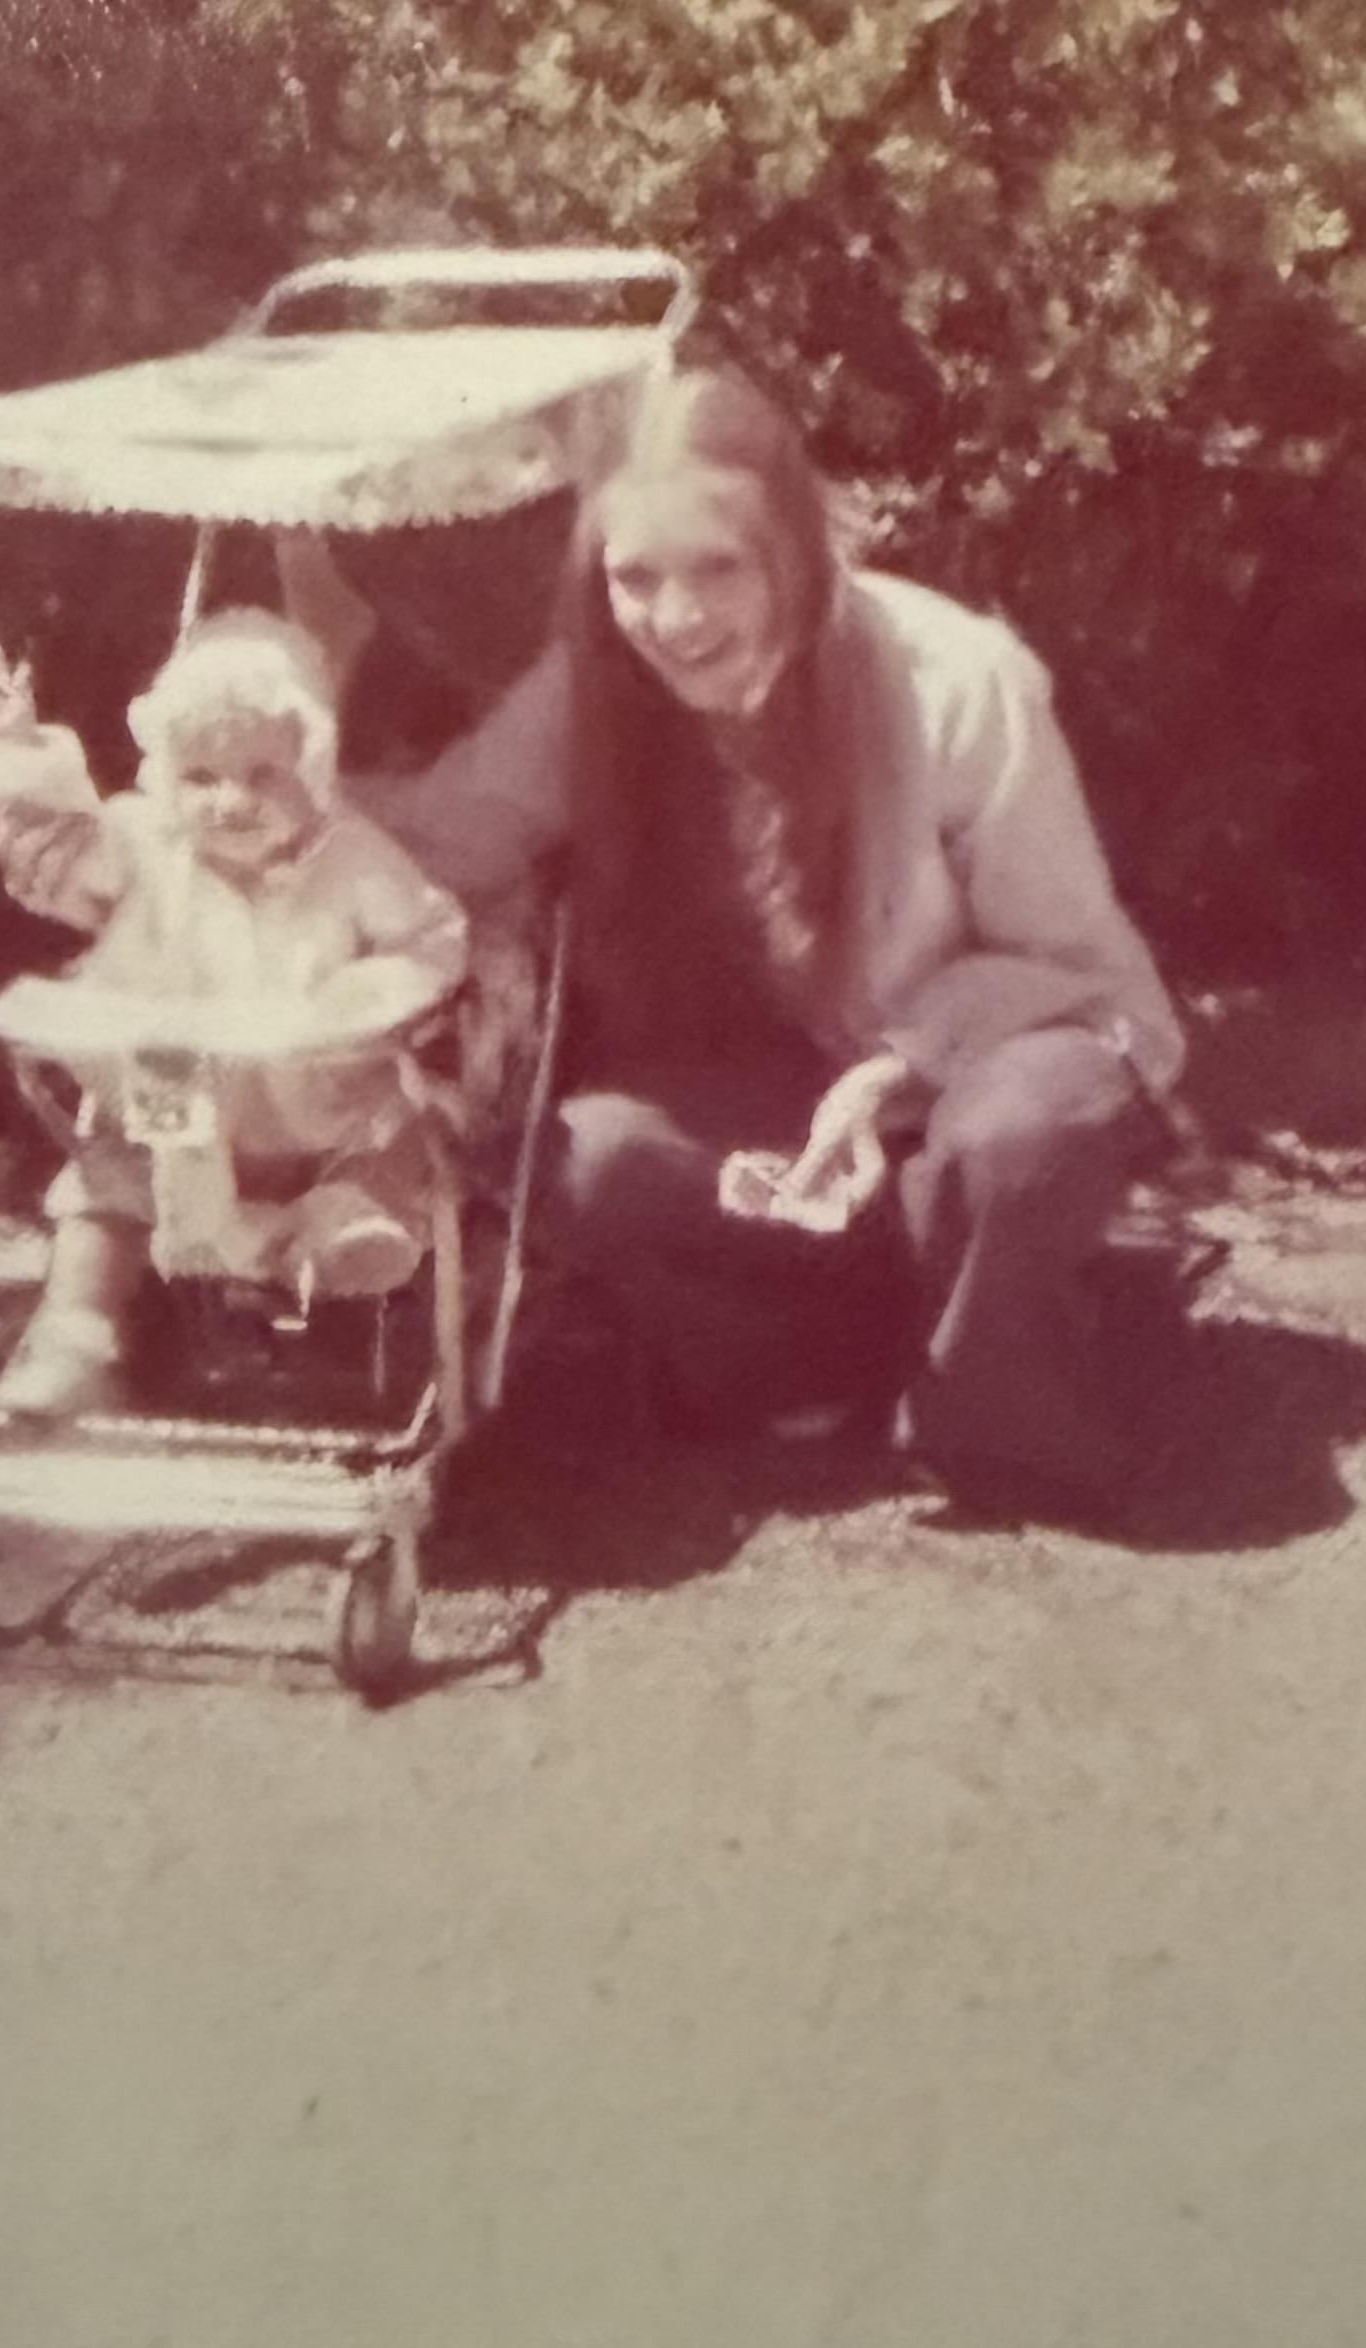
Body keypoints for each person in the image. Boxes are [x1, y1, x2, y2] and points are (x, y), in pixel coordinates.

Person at [335, 365, 1190, 1523]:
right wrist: (164, 835)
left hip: (967, 1071)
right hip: (780, 1111)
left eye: (717, 567)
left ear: (791, 542)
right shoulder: (591, 682)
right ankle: (840, 1351)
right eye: (635, 576)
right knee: (594, 1156)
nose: (675, 619)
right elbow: (443, 838)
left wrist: (905, 1063)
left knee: (1015, 1137)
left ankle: (988, 1399)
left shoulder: (956, 680)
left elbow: (1091, 986)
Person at [0, 607, 470, 1418]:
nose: (229, 800)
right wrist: (18, 748)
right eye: (201, 777)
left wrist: (360, 996)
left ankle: (334, 1231)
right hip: (174, 1103)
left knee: (388, 1144)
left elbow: (430, 935)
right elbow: (65, 842)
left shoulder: (351, 857)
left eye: (261, 774)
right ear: (166, 775)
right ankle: (74, 1336)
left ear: (312, 764)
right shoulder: (145, 842)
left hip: (315, 1098)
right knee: (111, 1186)